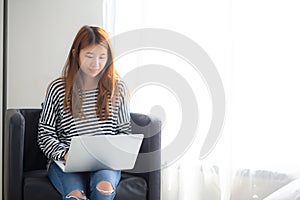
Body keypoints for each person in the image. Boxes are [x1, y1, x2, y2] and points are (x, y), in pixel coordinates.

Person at [38, 25, 131, 200]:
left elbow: (124, 132)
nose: (96, 64)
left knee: (104, 190)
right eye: (89, 56)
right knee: (75, 196)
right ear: (75, 54)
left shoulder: (117, 88)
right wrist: (66, 154)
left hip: (105, 164)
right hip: (66, 163)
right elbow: (45, 133)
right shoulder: (58, 88)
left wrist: (115, 152)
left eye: (102, 57)